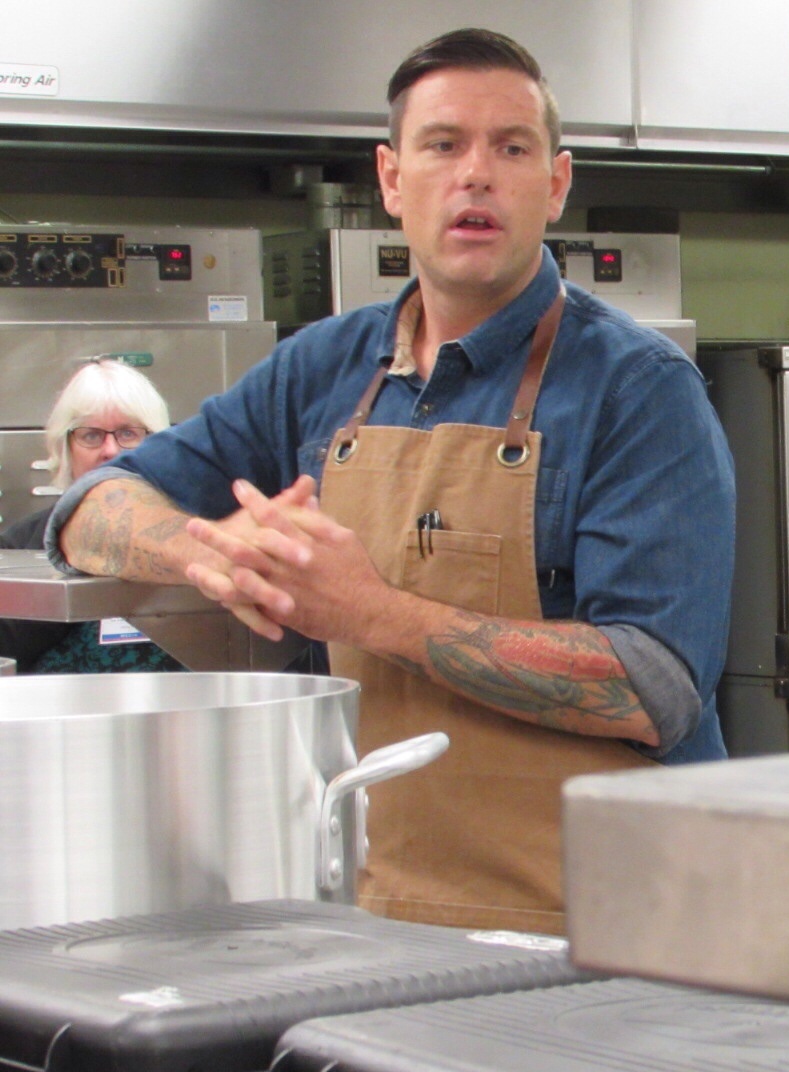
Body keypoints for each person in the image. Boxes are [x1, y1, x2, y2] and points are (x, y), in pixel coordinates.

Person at [49, 28, 736, 934]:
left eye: (512, 148)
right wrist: (208, 553)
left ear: (556, 183)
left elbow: (653, 689)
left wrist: (371, 613)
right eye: (444, 144)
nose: (476, 174)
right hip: (378, 914)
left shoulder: (639, 389)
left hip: (606, 926)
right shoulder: (321, 368)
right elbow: (87, 508)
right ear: (391, 178)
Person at [0, 358, 180, 674]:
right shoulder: (18, 545)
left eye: (128, 433)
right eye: (91, 436)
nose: (110, 450)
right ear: (66, 448)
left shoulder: (192, 534)